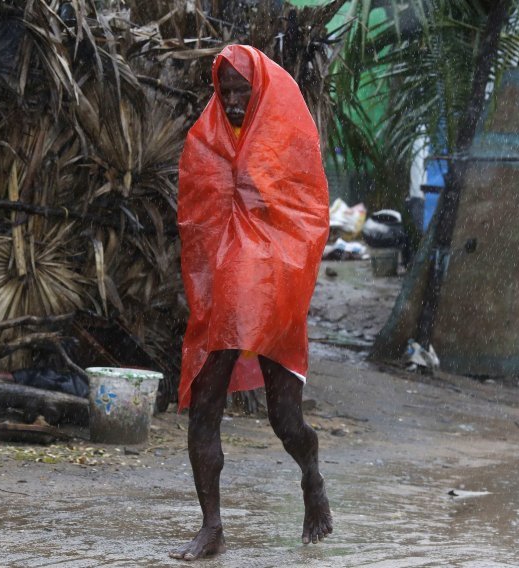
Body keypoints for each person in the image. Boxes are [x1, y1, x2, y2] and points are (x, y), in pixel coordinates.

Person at [170, 44, 332, 561]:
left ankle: (312, 478)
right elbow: (195, 220)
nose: (235, 101)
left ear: (261, 89)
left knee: (285, 420)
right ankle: (211, 526)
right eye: (227, 91)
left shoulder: (286, 138)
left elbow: (306, 216)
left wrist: (264, 261)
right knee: (204, 408)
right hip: (222, 296)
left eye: (244, 90)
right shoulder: (205, 142)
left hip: (272, 292)